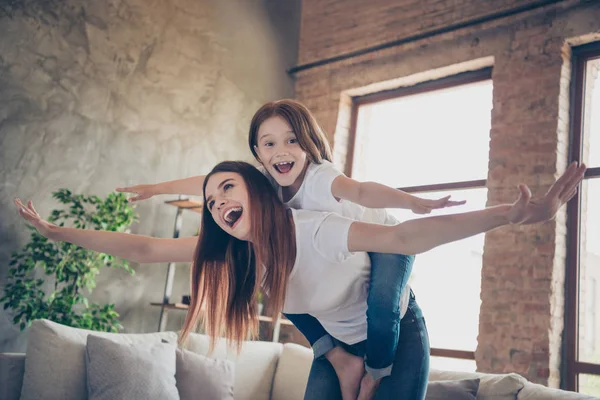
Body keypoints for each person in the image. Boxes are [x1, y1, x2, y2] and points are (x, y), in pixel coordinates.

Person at [15, 160, 586, 400]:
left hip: (395, 329)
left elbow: (407, 239)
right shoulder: (235, 255)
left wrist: (508, 216)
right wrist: (58, 232)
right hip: (336, 343)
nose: (217, 206)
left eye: (228, 192)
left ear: (258, 190)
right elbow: (141, 247)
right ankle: (347, 362)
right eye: (210, 202)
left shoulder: (313, 226)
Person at [115, 99, 466, 400]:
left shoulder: (320, 176)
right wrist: (157, 188)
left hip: (385, 239)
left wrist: (412, 203)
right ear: (257, 153)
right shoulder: (265, 184)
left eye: (291, 140)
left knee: (382, 302)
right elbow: (206, 182)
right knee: (285, 286)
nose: (280, 150)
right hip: (343, 256)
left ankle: (375, 371)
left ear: (308, 143)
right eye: (268, 144)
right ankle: (340, 358)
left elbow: (361, 192)